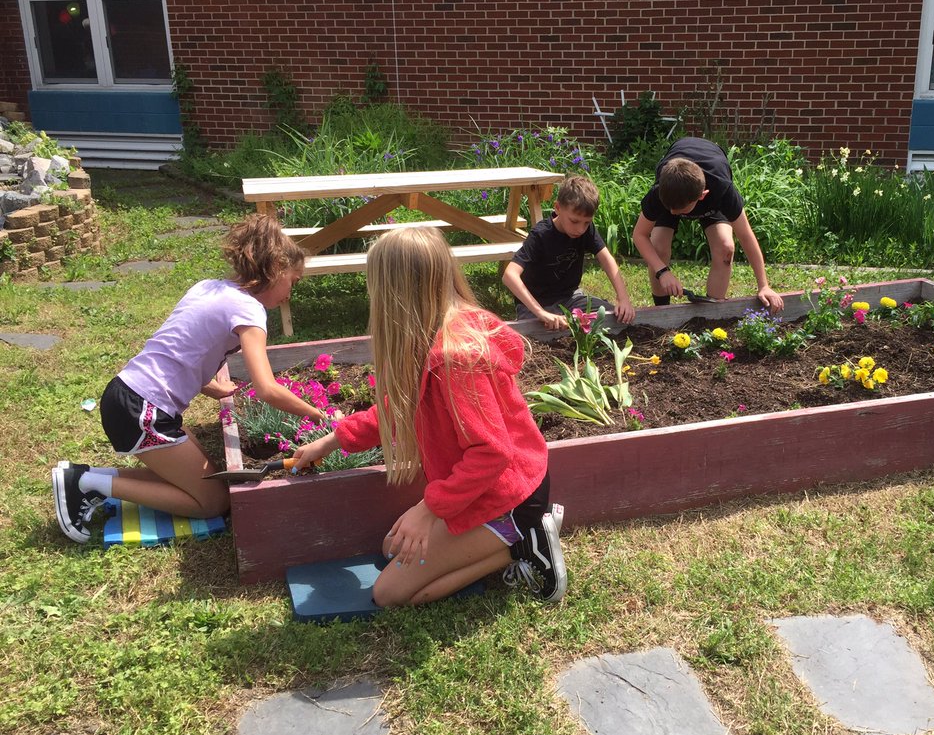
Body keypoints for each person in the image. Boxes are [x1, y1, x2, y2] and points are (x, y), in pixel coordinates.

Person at [291, 226, 566, 606]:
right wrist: (332, 439)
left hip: (509, 495)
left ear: (397, 292)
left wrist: (428, 510)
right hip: (483, 489)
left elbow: (492, 452)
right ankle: (508, 538)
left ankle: (523, 543)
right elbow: (400, 406)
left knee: (390, 594)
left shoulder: (457, 358)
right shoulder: (433, 335)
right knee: (392, 547)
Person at [52, 214, 332, 543]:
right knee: (214, 501)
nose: (289, 294)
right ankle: (85, 484)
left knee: (211, 479)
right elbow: (267, 388)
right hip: (143, 412)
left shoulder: (208, 288)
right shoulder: (250, 311)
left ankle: (88, 478)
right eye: (293, 282)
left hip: (129, 394)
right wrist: (317, 415)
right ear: (276, 269)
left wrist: (212, 387)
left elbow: (181, 347)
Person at [631, 136, 784, 313]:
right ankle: (662, 312)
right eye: (669, 208)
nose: (673, 213)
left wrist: (763, 285)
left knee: (726, 248)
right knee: (658, 247)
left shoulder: (722, 189)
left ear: (702, 196)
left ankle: (711, 315)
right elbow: (639, 235)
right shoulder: (662, 190)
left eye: (680, 210)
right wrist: (662, 272)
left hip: (709, 183)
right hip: (676, 190)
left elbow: (745, 234)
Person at [503, 175, 635, 330]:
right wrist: (540, 312)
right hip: (535, 305)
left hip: (570, 299)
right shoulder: (541, 234)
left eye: (587, 223)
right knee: (537, 336)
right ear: (557, 208)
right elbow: (509, 275)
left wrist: (623, 298)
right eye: (574, 221)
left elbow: (607, 259)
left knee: (611, 317)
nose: (580, 229)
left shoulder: (586, 230)